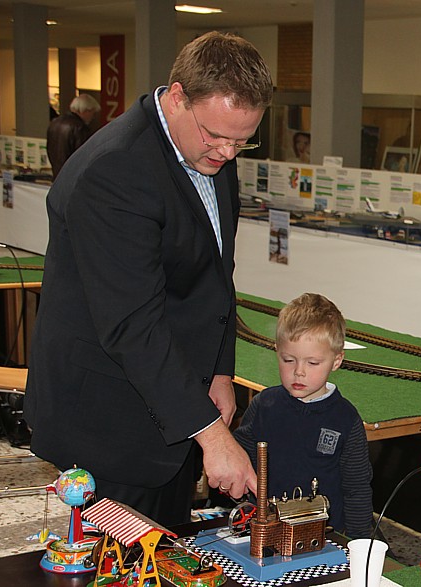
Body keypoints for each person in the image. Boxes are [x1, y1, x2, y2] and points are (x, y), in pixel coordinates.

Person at [25, 32, 273, 527]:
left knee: (166, 559)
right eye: (216, 135)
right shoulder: (116, 170)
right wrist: (211, 434)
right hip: (108, 423)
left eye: (242, 140)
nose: (227, 152)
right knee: (113, 568)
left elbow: (215, 277)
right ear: (178, 96)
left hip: (175, 408)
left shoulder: (208, 151)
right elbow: (132, 325)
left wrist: (219, 373)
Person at [233, 293, 374, 539]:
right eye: (289, 360)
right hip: (266, 530)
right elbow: (239, 462)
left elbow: (357, 490)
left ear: (337, 360)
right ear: (277, 351)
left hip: (326, 536)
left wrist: (359, 542)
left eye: (312, 363)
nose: (299, 372)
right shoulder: (263, 405)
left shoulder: (346, 419)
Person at [46, 93, 100, 178]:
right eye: (92, 113)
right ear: (85, 110)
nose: (92, 117)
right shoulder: (79, 127)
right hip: (72, 176)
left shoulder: (55, 123)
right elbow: (83, 156)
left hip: (57, 174)